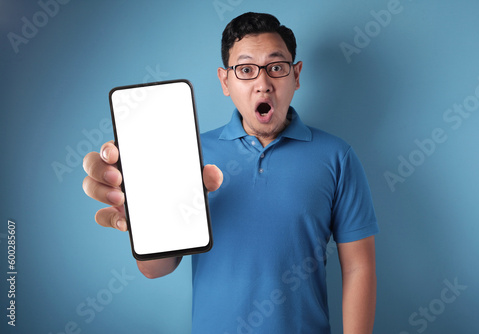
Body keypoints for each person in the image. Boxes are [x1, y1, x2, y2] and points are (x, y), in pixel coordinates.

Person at [83, 12, 379, 334]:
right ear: (226, 81)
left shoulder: (337, 157)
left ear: (296, 76)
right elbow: (156, 269)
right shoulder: (188, 155)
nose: (262, 84)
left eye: (276, 68)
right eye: (246, 70)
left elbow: (358, 266)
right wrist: (141, 215)